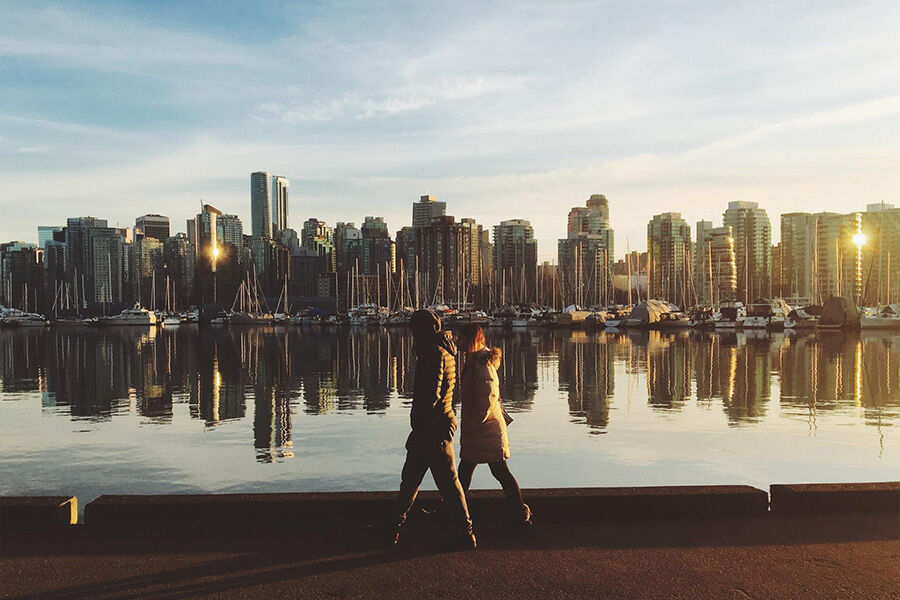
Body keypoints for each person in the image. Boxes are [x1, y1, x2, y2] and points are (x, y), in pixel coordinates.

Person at [393, 309, 476, 549]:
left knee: (445, 484)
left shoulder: (433, 354)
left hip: (431, 428)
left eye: (415, 329)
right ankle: (392, 527)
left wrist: (418, 424)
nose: (412, 334)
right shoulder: (445, 351)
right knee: (413, 480)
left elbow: (430, 394)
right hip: (438, 423)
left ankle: (465, 533)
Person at [456, 324, 532, 527]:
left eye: (460, 338)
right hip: (484, 429)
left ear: (471, 340)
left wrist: (472, 424)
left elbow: (487, 400)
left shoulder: (481, 365)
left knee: (491, 471)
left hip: (484, 429)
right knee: (484, 471)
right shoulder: (475, 361)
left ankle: (455, 513)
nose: (457, 341)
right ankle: (518, 511)